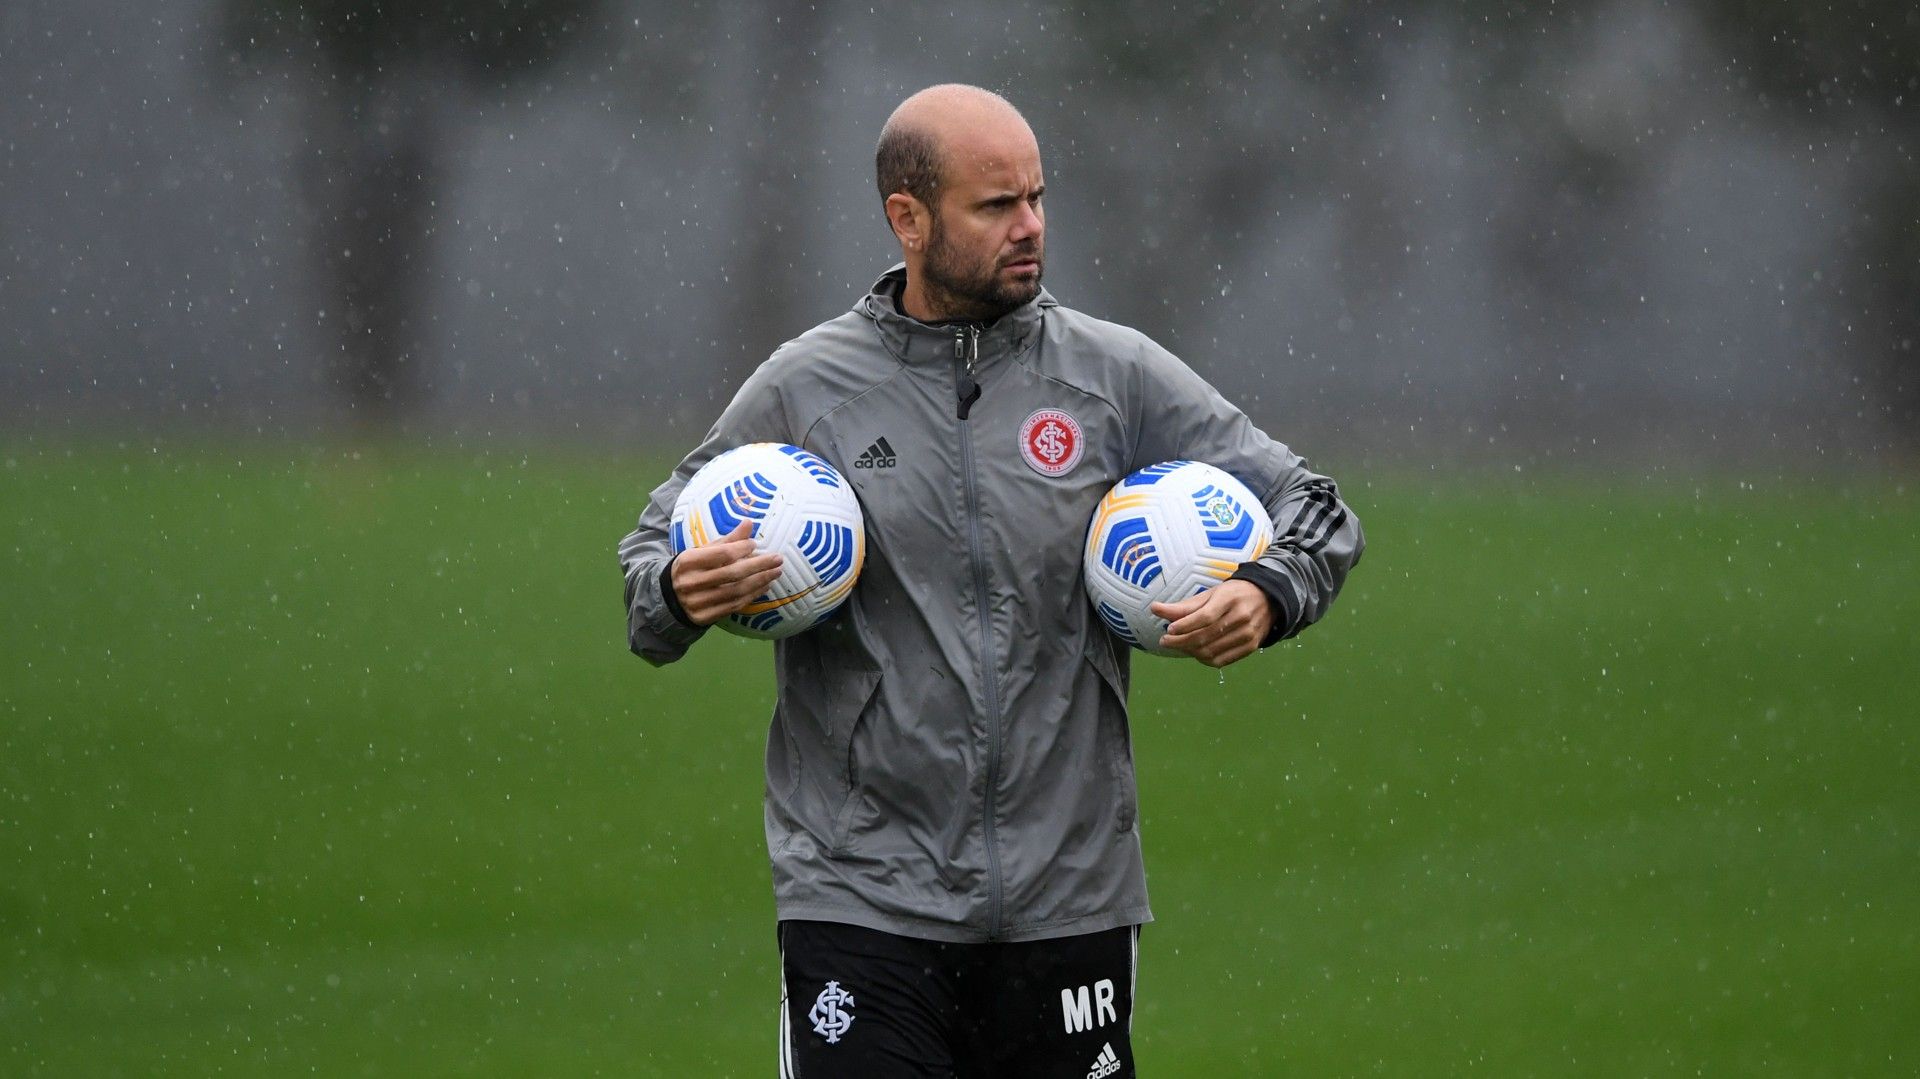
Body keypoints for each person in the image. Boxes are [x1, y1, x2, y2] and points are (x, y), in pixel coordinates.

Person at [619, 84, 1363, 1078]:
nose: (1031, 226)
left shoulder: (1112, 375)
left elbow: (1316, 505)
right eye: (997, 204)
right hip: (862, 901)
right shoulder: (809, 387)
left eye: (1037, 197)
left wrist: (1268, 591)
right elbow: (648, 571)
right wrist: (678, 590)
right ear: (909, 218)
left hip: (1070, 902)